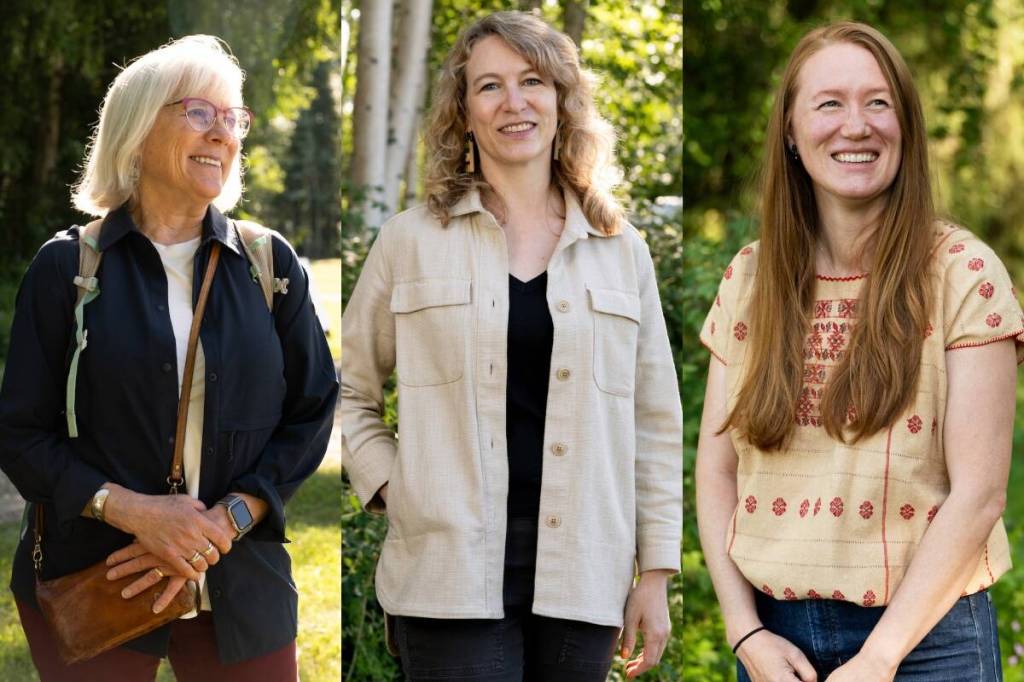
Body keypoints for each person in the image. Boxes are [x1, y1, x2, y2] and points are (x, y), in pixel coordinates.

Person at [342, 11, 682, 682]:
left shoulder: (622, 251)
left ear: (561, 100)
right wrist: (394, 485)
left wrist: (656, 573)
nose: (513, 102)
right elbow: (348, 391)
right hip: (445, 574)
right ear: (464, 113)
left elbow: (654, 423)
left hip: (586, 573)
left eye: (532, 81)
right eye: (489, 86)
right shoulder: (410, 241)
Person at [0, 35, 338, 681]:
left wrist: (226, 521)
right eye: (198, 112)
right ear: (137, 130)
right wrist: (132, 512)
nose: (222, 133)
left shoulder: (269, 264)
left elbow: (313, 409)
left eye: (232, 117)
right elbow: (19, 432)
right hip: (99, 576)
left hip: (242, 585)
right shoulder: (68, 267)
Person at [697, 21, 1022, 682]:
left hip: (928, 640)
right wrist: (744, 631)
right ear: (791, 132)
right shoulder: (750, 279)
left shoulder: (964, 274)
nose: (857, 125)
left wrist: (879, 657)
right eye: (829, 103)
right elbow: (717, 469)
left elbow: (980, 494)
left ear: (905, 127)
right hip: (773, 639)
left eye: (878, 102)